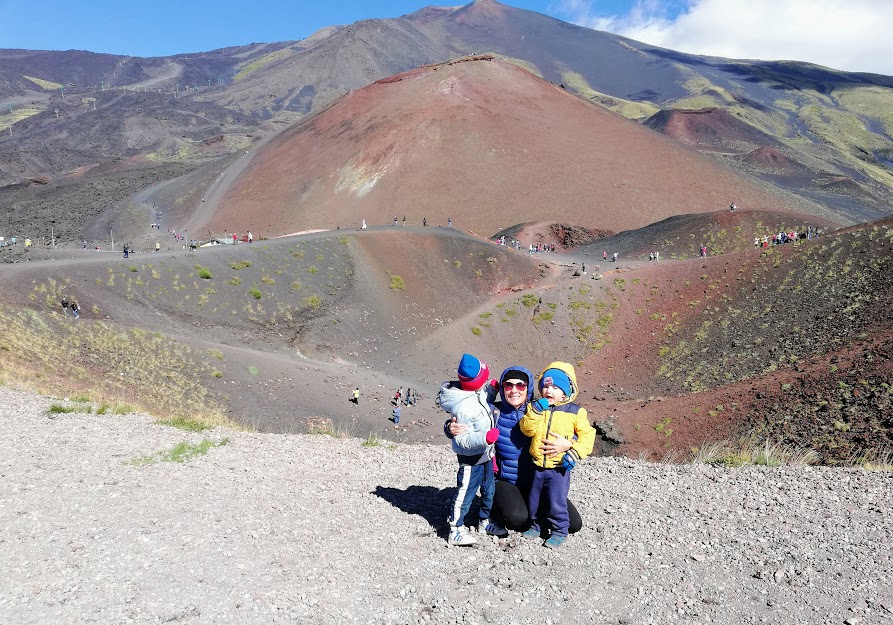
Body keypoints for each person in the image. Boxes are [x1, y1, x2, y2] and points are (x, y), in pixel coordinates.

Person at [446, 366, 583, 538]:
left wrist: (569, 444)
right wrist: (449, 427)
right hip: (505, 480)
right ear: (502, 388)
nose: (514, 390)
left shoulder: (542, 410)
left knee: (574, 523)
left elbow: (576, 430)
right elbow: (464, 416)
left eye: (520, 385)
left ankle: (534, 508)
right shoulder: (492, 411)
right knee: (517, 519)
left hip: (537, 480)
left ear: (529, 388)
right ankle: (496, 508)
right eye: (508, 385)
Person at [519, 362, 595, 549]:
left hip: (559, 467)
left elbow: (588, 436)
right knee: (534, 499)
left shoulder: (575, 412)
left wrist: (574, 452)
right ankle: (535, 525)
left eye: (555, 387)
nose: (549, 390)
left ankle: (560, 530)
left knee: (557, 500)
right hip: (537, 464)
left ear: (566, 392)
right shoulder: (537, 408)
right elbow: (527, 430)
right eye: (545, 386)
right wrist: (536, 412)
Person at [439, 354, 498, 547]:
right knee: (465, 493)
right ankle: (455, 530)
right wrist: (485, 438)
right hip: (471, 459)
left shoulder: (475, 393)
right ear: (476, 381)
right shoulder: (463, 408)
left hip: (487, 455)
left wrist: (492, 390)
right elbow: (463, 440)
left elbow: (482, 400)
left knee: (489, 490)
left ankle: (484, 520)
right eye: (485, 379)